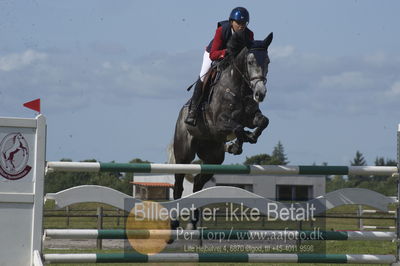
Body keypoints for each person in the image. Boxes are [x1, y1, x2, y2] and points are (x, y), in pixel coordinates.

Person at [185, 7, 254, 126]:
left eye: (244, 23)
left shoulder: (249, 34)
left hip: (234, 59)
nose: (241, 26)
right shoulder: (222, 30)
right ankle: (193, 110)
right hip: (214, 53)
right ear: (231, 22)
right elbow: (213, 54)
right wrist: (225, 52)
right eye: (239, 23)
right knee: (203, 75)